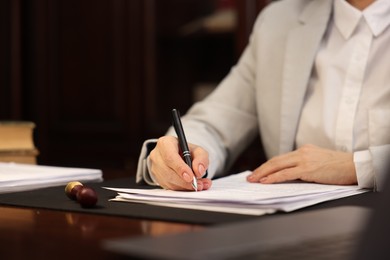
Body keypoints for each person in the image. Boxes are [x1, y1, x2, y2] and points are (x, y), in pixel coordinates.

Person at [136, 0, 390, 191]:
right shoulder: (278, 21)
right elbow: (216, 120)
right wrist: (179, 156)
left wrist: (358, 167)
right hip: (290, 230)